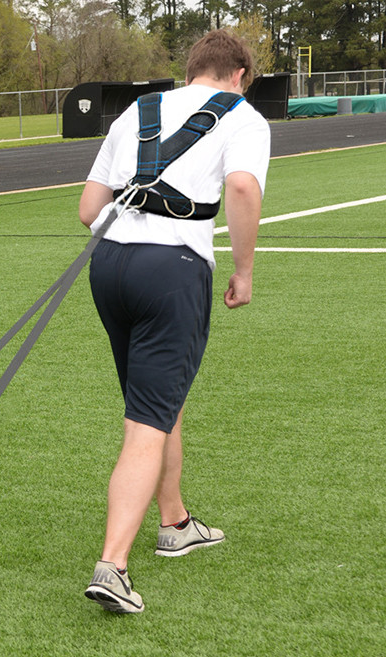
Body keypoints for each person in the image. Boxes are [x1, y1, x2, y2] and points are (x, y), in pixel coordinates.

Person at [78, 29, 270, 614]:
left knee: (161, 402)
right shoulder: (245, 117)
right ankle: (113, 566)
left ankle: (175, 522)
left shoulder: (140, 109)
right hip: (174, 269)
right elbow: (240, 186)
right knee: (147, 420)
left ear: (191, 70)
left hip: (108, 264)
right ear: (238, 75)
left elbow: (88, 209)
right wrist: (244, 269)